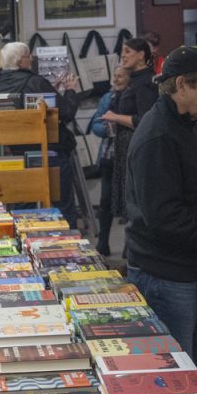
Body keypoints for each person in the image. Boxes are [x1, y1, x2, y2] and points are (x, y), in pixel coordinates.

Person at [124, 47, 197, 369]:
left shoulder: (180, 126)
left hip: (182, 271)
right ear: (182, 85)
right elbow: (164, 218)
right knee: (179, 373)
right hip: (166, 276)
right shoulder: (159, 136)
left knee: (195, 365)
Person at [0, 41, 80, 227]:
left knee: (25, 205)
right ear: (20, 60)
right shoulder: (35, 82)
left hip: (16, 154)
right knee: (62, 203)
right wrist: (71, 91)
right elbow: (66, 112)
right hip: (50, 151)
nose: (31, 59)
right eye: (28, 56)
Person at [101, 38, 158, 218]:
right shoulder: (134, 80)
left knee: (136, 204)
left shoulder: (145, 83)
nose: (123, 56)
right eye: (122, 52)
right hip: (126, 145)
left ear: (141, 55)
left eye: (127, 52)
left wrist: (115, 117)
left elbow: (145, 120)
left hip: (136, 147)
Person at [89, 64, 130, 256]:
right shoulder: (108, 97)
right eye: (115, 76)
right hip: (108, 157)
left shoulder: (134, 97)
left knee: (128, 204)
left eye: (120, 76)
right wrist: (107, 129)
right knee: (105, 202)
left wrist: (119, 122)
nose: (116, 79)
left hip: (128, 158)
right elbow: (96, 125)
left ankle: (127, 250)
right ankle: (102, 243)